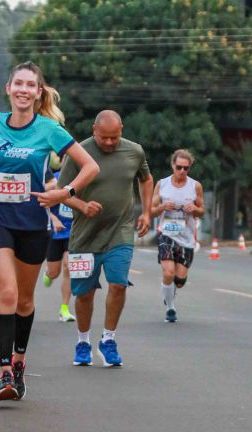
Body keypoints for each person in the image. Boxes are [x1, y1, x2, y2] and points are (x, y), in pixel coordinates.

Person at [0, 61, 99, 401]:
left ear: (38, 93)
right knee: (7, 294)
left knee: (25, 300)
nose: (24, 90)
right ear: (9, 89)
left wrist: (63, 193)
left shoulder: (49, 129)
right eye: (18, 84)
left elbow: (91, 166)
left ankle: (20, 361)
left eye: (31, 85)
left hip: (33, 225)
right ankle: (4, 372)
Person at [58, 110, 153, 368]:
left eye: (115, 137)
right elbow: (61, 192)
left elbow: (146, 179)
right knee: (85, 294)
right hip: (84, 235)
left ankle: (108, 340)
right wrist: (81, 205)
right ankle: (83, 342)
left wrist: (146, 211)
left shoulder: (134, 151)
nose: (110, 143)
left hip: (120, 230)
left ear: (121, 129)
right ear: (94, 130)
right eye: (104, 138)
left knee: (119, 284)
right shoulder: (78, 153)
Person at [150, 149, 205, 323]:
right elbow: (150, 211)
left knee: (179, 280)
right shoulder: (162, 184)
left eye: (186, 168)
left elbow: (202, 210)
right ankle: (170, 308)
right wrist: (162, 207)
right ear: (173, 165)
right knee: (168, 273)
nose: (182, 171)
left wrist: (195, 209)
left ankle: (171, 290)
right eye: (179, 167)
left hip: (186, 236)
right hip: (166, 233)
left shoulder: (195, 186)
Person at [42, 169, 76, 322]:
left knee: (68, 267)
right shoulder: (55, 180)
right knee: (54, 272)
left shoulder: (85, 178)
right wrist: (53, 218)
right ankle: (48, 274)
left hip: (74, 233)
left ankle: (64, 309)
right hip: (56, 232)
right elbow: (41, 201)